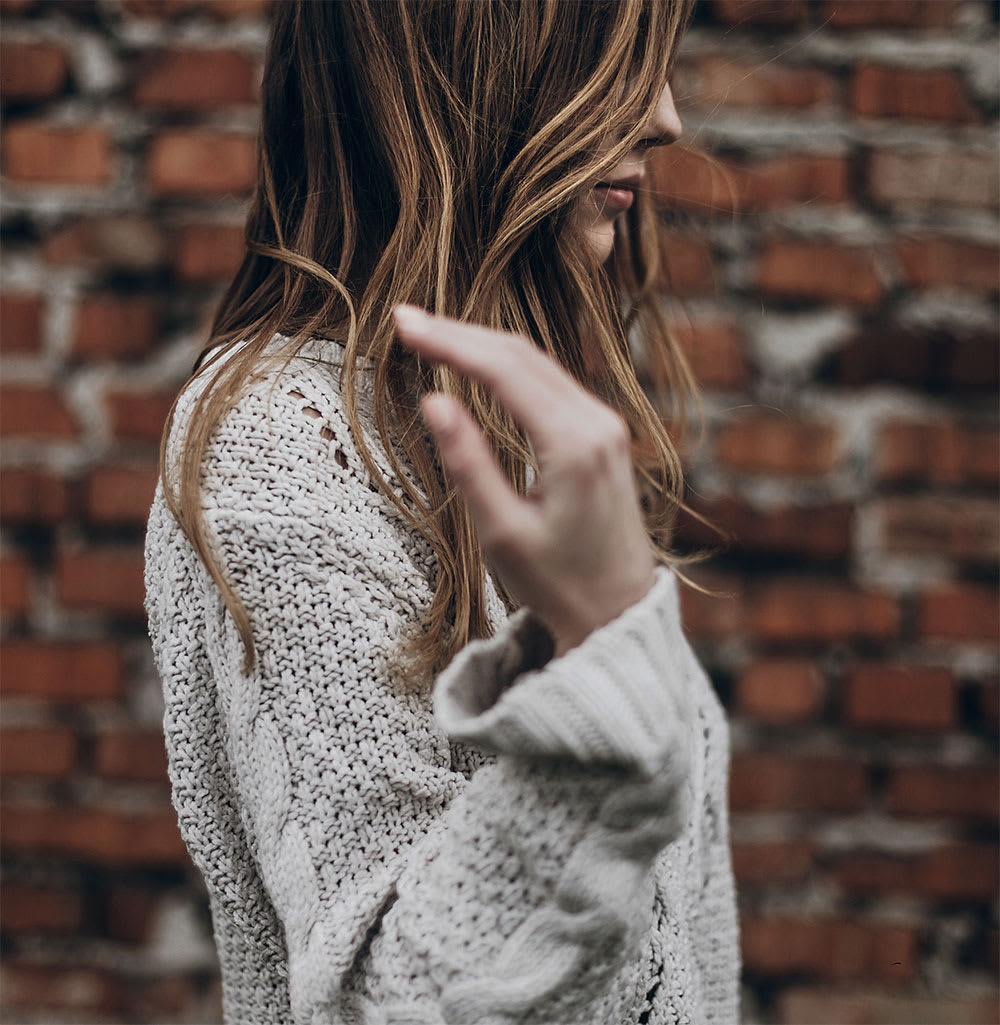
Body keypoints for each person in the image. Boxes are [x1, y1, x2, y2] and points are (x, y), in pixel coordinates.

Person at [143, 1, 741, 1023]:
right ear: (469, 60)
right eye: (610, 59)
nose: (666, 118)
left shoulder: (495, 415)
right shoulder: (286, 442)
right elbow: (393, 996)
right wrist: (599, 668)